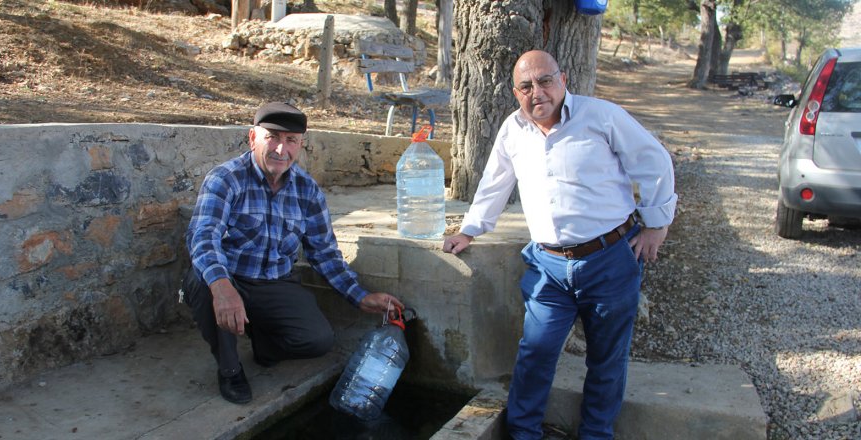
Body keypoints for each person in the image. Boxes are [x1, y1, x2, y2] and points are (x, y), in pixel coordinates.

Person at [442, 50, 677, 439]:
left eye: (545, 81)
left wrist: (657, 224)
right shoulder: (513, 130)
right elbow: (494, 183)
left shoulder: (602, 116)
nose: (537, 92)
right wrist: (470, 230)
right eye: (526, 86)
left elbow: (654, 162)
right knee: (535, 354)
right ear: (515, 92)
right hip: (548, 268)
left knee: (606, 360)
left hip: (610, 261)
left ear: (563, 79)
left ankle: (596, 434)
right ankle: (523, 433)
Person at [183, 101, 404, 404]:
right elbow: (203, 237)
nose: (280, 149)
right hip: (230, 276)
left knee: (317, 340)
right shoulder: (225, 178)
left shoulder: (307, 190)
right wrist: (222, 288)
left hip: (275, 282)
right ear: (252, 138)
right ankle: (230, 368)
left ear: (300, 145)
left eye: (291, 140)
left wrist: (360, 296)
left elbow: (324, 252)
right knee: (202, 281)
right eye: (272, 136)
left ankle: (264, 345)